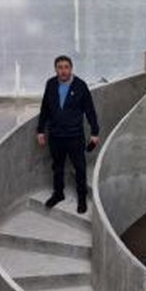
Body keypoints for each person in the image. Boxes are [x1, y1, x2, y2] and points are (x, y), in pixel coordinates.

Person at [36, 55, 99, 214]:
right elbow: (45, 109)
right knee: (57, 167)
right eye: (60, 67)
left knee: (80, 168)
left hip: (74, 136)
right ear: (55, 69)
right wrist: (40, 130)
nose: (63, 71)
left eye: (66, 67)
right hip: (56, 136)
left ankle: (82, 198)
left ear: (71, 69)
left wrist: (95, 132)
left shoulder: (80, 86)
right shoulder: (50, 84)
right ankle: (58, 194)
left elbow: (90, 110)